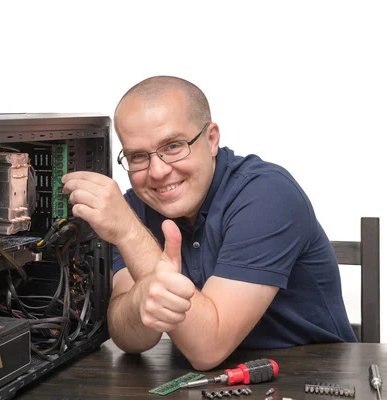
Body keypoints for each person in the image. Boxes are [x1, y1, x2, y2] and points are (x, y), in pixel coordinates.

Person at [61, 76, 356, 371]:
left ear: (211, 139)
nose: (158, 171)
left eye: (174, 146)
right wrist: (142, 296)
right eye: (138, 156)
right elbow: (131, 339)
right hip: (203, 381)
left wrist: (128, 232)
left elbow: (207, 348)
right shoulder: (135, 207)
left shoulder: (267, 194)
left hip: (312, 375)